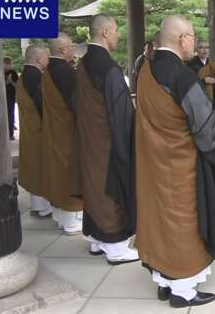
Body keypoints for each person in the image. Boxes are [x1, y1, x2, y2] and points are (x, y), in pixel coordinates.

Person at [135, 15, 215, 309]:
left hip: (153, 161)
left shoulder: (146, 70)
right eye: (192, 37)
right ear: (183, 39)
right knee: (182, 220)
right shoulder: (182, 75)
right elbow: (205, 125)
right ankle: (183, 290)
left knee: (158, 216)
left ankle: (164, 280)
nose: (194, 43)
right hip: (179, 164)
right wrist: (212, 148)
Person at [75, 14, 138, 264]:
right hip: (107, 141)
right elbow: (120, 112)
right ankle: (115, 247)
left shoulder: (84, 62)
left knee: (94, 185)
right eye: (115, 31)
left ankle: (96, 239)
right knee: (112, 189)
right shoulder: (108, 68)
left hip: (89, 138)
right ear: (104, 32)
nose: (118, 35)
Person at [42, 32, 83, 235]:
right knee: (69, 173)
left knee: (57, 172)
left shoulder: (49, 69)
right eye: (72, 45)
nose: (74, 48)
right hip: (68, 131)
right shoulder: (65, 72)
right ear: (64, 48)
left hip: (55, 129)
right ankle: (71, 221)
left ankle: (60, 216)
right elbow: (77, 103)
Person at [16, 44, 52, 218]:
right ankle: (44, 207)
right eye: (46, 56)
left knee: (33, 166)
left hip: (29, 128)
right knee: (41, 166)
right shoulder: (37, 77)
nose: (48, 60)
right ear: (39, 59)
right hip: (39, 128)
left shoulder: (23, 77)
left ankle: (38, 206)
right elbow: (42, 105)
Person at [187, 39, 215, 146]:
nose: (205, 50)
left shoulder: (212, 64)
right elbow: (188, 83)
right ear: (196, 50)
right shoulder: (191, 65)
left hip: (214, 98)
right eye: (201, 47)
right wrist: (203, 80)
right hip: (200, 103)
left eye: (207, 47)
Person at [4, 57, 19, 140]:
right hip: (2, 98)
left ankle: (10, 134)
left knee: (10, 114)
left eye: (9, 63)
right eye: (6, 64)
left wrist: (11, 82)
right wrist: (7, 82)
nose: (8, 65)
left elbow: (17, 85)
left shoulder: (13, 72)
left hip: (11, 97)